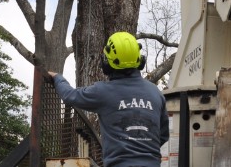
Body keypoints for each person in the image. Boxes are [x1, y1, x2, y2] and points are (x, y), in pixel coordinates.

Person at [46, 31, 169, 167]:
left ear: (107, 63)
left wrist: (58, 78)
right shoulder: (156, 93)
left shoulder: (103, 92)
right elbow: (163, 135)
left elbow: (69, 96)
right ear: (139, 60)